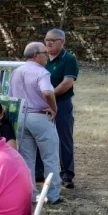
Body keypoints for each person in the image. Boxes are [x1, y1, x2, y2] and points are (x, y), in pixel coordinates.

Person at [8, 42, 62, 204]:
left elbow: (11, 96)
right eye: (44, 53)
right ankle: (53, 195)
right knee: (50, 158)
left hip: (21, 117)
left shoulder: (16, 72)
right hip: (39, 116)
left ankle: (29, 194)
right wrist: (54, 108)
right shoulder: (41, 72)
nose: (47, 55)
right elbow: (47, 92)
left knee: (27, 159)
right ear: (35, 55)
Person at [44, 28, 79, 188]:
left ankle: (67, 175)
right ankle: (39, 172)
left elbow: (67, 83)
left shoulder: (69, 58)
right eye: (46, 40)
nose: (48, 43)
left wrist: (50, 96)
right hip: (41, 104)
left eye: (53, 40)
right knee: (41, 138)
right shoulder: (42, 58)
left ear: (62, 42)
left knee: (64, 139)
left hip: (62, 104)